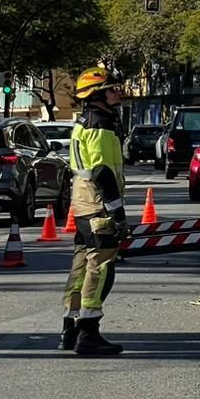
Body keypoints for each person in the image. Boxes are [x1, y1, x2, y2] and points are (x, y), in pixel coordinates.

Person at [61, 67, 128, 356]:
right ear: (97, 93)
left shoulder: (84, 122)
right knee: (100, 266)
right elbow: (102, 170)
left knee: (81, 266)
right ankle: (89, 332)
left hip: (83, 200)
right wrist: (118, 211)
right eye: (113, 88)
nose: (119, 91)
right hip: (98, 202)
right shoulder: (100, 124)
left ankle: (70, 328)